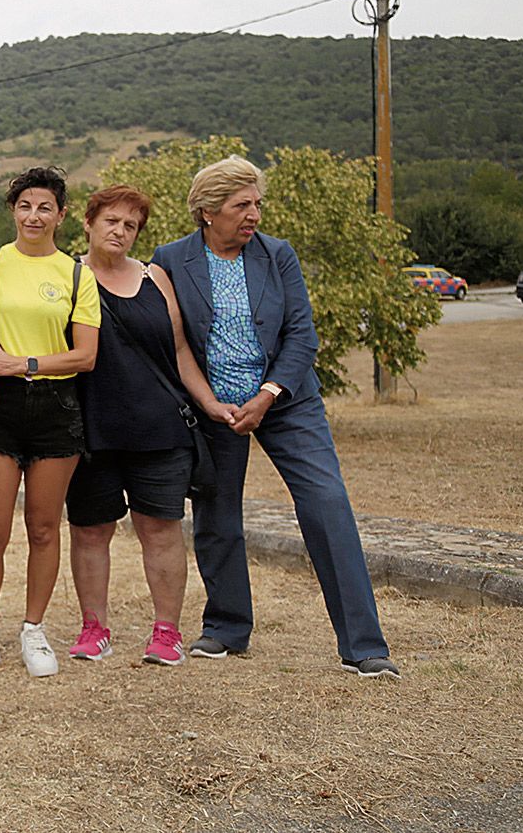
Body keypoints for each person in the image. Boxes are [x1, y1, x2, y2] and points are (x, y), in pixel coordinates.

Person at [151, 156, 400, 679]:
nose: (254, 214)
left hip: (287, 400)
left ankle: (364, 646)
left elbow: (302, 336)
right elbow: (172, 340)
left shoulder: (277, 256)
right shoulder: (170, 259)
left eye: (257, 203)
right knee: (217, 516)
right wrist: (207, 403)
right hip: (214, 407)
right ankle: (225, 628)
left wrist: (267, 394)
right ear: (207, 211)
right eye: (242, 205)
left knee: (327, 503)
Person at [65, 185, 233, 668]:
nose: (119, 231)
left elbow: (179, 352)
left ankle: (167, 632)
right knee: (90, 531)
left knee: (160, 529)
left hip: (159, 428)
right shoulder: (67, 274)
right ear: (89, 222)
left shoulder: (155, 277)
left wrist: (210, 402)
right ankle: (94, 628)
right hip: (92, 429)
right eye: (111, 221)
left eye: (130, 225)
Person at [0, 166, 100, 679]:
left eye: (45, 207)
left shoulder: (76, 275)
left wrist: (25, 363)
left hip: (56, 410)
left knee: (43, 529)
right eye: (24, 206)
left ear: (62, 215)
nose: (33, 216)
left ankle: (33, 630)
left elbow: (84, 356)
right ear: (12, 211)